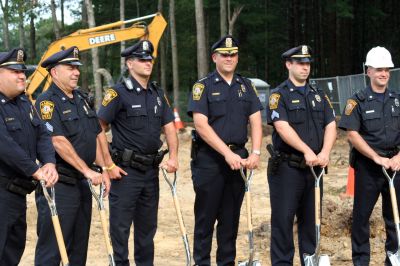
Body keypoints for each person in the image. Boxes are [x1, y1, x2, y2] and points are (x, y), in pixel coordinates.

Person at [97, 39, 178, 266]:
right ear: (129, 64)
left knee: (147, 230)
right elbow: (98, 129)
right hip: (125, 173)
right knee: (120, 229)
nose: (147, 63)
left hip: (150, 173)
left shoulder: (157, 94)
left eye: (149, 59)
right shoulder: (117, 93)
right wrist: (107, 165)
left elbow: (170, 127)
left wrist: (173, 157)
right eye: (142, 59)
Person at [187, 35, 263, 266]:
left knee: (230, 220)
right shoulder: (203, 86)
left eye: (233, 54)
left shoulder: (246, 85)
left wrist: (256, 152)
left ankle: (226, 263)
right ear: (214, 58)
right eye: (224, 55)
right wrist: (226, 153)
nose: (229, 58)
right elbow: (200, 125)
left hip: (238, 159)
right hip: (209, 160)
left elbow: (256, 119)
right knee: (205, 219)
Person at [34, 46, 110, 266]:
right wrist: (87, 171)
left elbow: (96, 134)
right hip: (61, 185)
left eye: (77, 67)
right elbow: (57, 140)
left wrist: (105, 168)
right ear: (54, 72)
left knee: (78, 248)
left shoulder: (81, 99)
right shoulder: (47, 102)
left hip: (82, 185)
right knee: (53, 249)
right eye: (70, 68)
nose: (76, 72)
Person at [266, 45, 336, 265]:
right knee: (283, 222)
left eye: (307, 63)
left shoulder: (319, 94)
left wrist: (324, 152)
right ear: (289, 65)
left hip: (314, 169)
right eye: (300, 63)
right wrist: (307, 150)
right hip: (288, 168)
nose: (305, 68)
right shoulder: (279, 95)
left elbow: (331, 124)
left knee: (312, 222)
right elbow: (282, 126)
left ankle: (310, 260)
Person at [339, 46, 400, 266]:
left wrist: (398, 158)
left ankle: (394, 259)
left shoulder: (397, 99)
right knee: (361, 218)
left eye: (387, 69)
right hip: (368, 168)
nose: (383, 73)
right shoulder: (357, 101)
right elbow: (352, 135)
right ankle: (361, 261)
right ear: (368, 71)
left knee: (395, 218)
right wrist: (376, 158)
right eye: (379, 69)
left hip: (395, 166)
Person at [0, 48, 58, 265]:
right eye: (15, 71)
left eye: (23, 71)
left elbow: (42, 134)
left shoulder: (24, 103)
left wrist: (49, 163)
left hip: (17, 194)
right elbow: (5, 145)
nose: (22, 75)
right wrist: (35, 170)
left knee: (12, 251)